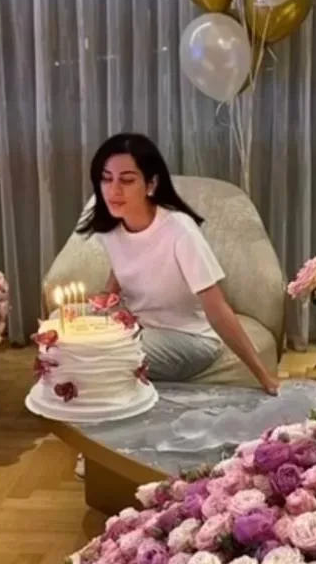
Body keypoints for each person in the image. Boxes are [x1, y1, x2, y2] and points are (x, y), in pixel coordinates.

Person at [72, 133, 279, 394]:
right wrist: (107, 294)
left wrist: (264, 377)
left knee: (104, 351)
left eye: (127, 180)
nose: (114, 190)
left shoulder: (179, 231)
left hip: (191, 340)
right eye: (106, 178)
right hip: (141, 327)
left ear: (150, 184)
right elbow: (125, 260)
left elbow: (217, 309)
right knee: (63, 331)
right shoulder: (111, 227)